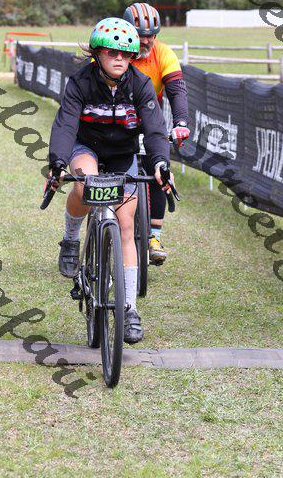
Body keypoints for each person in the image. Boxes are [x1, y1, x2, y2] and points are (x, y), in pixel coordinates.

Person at [47, 17, 171, 344]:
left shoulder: (140, 84)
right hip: (86, 147)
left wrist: (160, 161)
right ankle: (71, 239)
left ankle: (129, 309)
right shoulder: (81, 82)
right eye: (112, 53)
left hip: (122, 155)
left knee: (126, 227)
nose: (119, 59)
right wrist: (57, 161)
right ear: (97, 53)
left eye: (126, 54)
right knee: (84, 182)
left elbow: (155, 129)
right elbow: (65, 125)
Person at [123, 2, 190, 265]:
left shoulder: (163, 53)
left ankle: (154, 236)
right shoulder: (115, 51)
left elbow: (176, 89)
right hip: (116, 121)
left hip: (151, 121)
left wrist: (181, 122)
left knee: (159, 169)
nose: (146, 40)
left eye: (151, 35)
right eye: (140, 35)